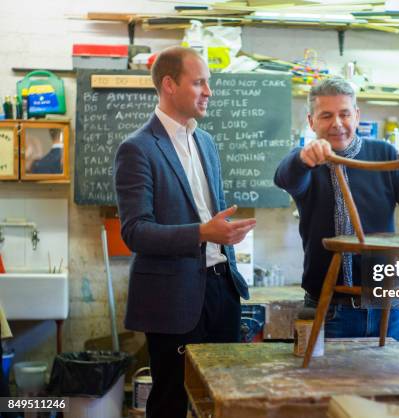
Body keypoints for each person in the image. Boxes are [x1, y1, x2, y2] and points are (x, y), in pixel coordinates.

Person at [114, 46, 256, 418]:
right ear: (169, 84)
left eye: (208, 82)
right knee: (171, 401)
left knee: (220, 399)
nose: (208, 90)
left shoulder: (205, 142)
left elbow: (212, 216)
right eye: (199, 82)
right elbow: (135, 232)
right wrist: (203, 232)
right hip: (173, 298)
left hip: (222, 289)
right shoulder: (137, 149)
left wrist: (224, 235)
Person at [274, 77, 399, 341]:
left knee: (393, 381)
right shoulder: (308, 159)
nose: (337, 123)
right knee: (326, 383)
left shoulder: (383, 153)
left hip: (388, 307)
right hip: (329, 308)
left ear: (357, 115)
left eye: (344, 114)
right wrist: (302, 159)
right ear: (311, 122)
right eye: (326, 115)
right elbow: (285, 177)